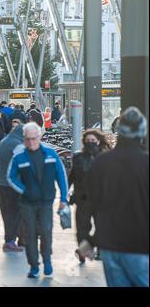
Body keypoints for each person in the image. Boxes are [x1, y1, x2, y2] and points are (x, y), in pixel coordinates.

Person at [86, 107, 149, 287]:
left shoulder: (100, 163)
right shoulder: (146, 165)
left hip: (110, 246)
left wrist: (90, 240)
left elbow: (93, 206)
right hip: (141, 246)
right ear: (142, 132)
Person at [7, 122, 68, 278]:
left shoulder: (50, 154)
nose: (31, 142)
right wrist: (24, 190)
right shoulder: (19, 156)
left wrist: (63, 198)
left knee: (47, 232)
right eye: (28, 139)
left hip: (47, 202)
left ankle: (47, 260)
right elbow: (11, 177)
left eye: (34, 138)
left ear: (39, 137)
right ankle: (34, 266)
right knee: (30, 235)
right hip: (27, 203)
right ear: (24, 139)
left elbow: (61, 175)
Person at [68, 129, 111, 263]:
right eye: (88, 141)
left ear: (98, 141)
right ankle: (84, 250)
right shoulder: (78, 157)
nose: (90, 143)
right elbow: (72, 176)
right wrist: (66, 192)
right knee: (82, 229)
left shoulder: (106, 157)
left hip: (101, 199)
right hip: (83, 198)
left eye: (93, 141)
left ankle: (101, 251)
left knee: (102, 226)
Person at [0, 122, 25, 252]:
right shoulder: (17, 144)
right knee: (16, 214)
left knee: (7, 214)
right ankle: (12, 241)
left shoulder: (4, 141)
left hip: (1, 183)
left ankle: (13, 239)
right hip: (13, 185)